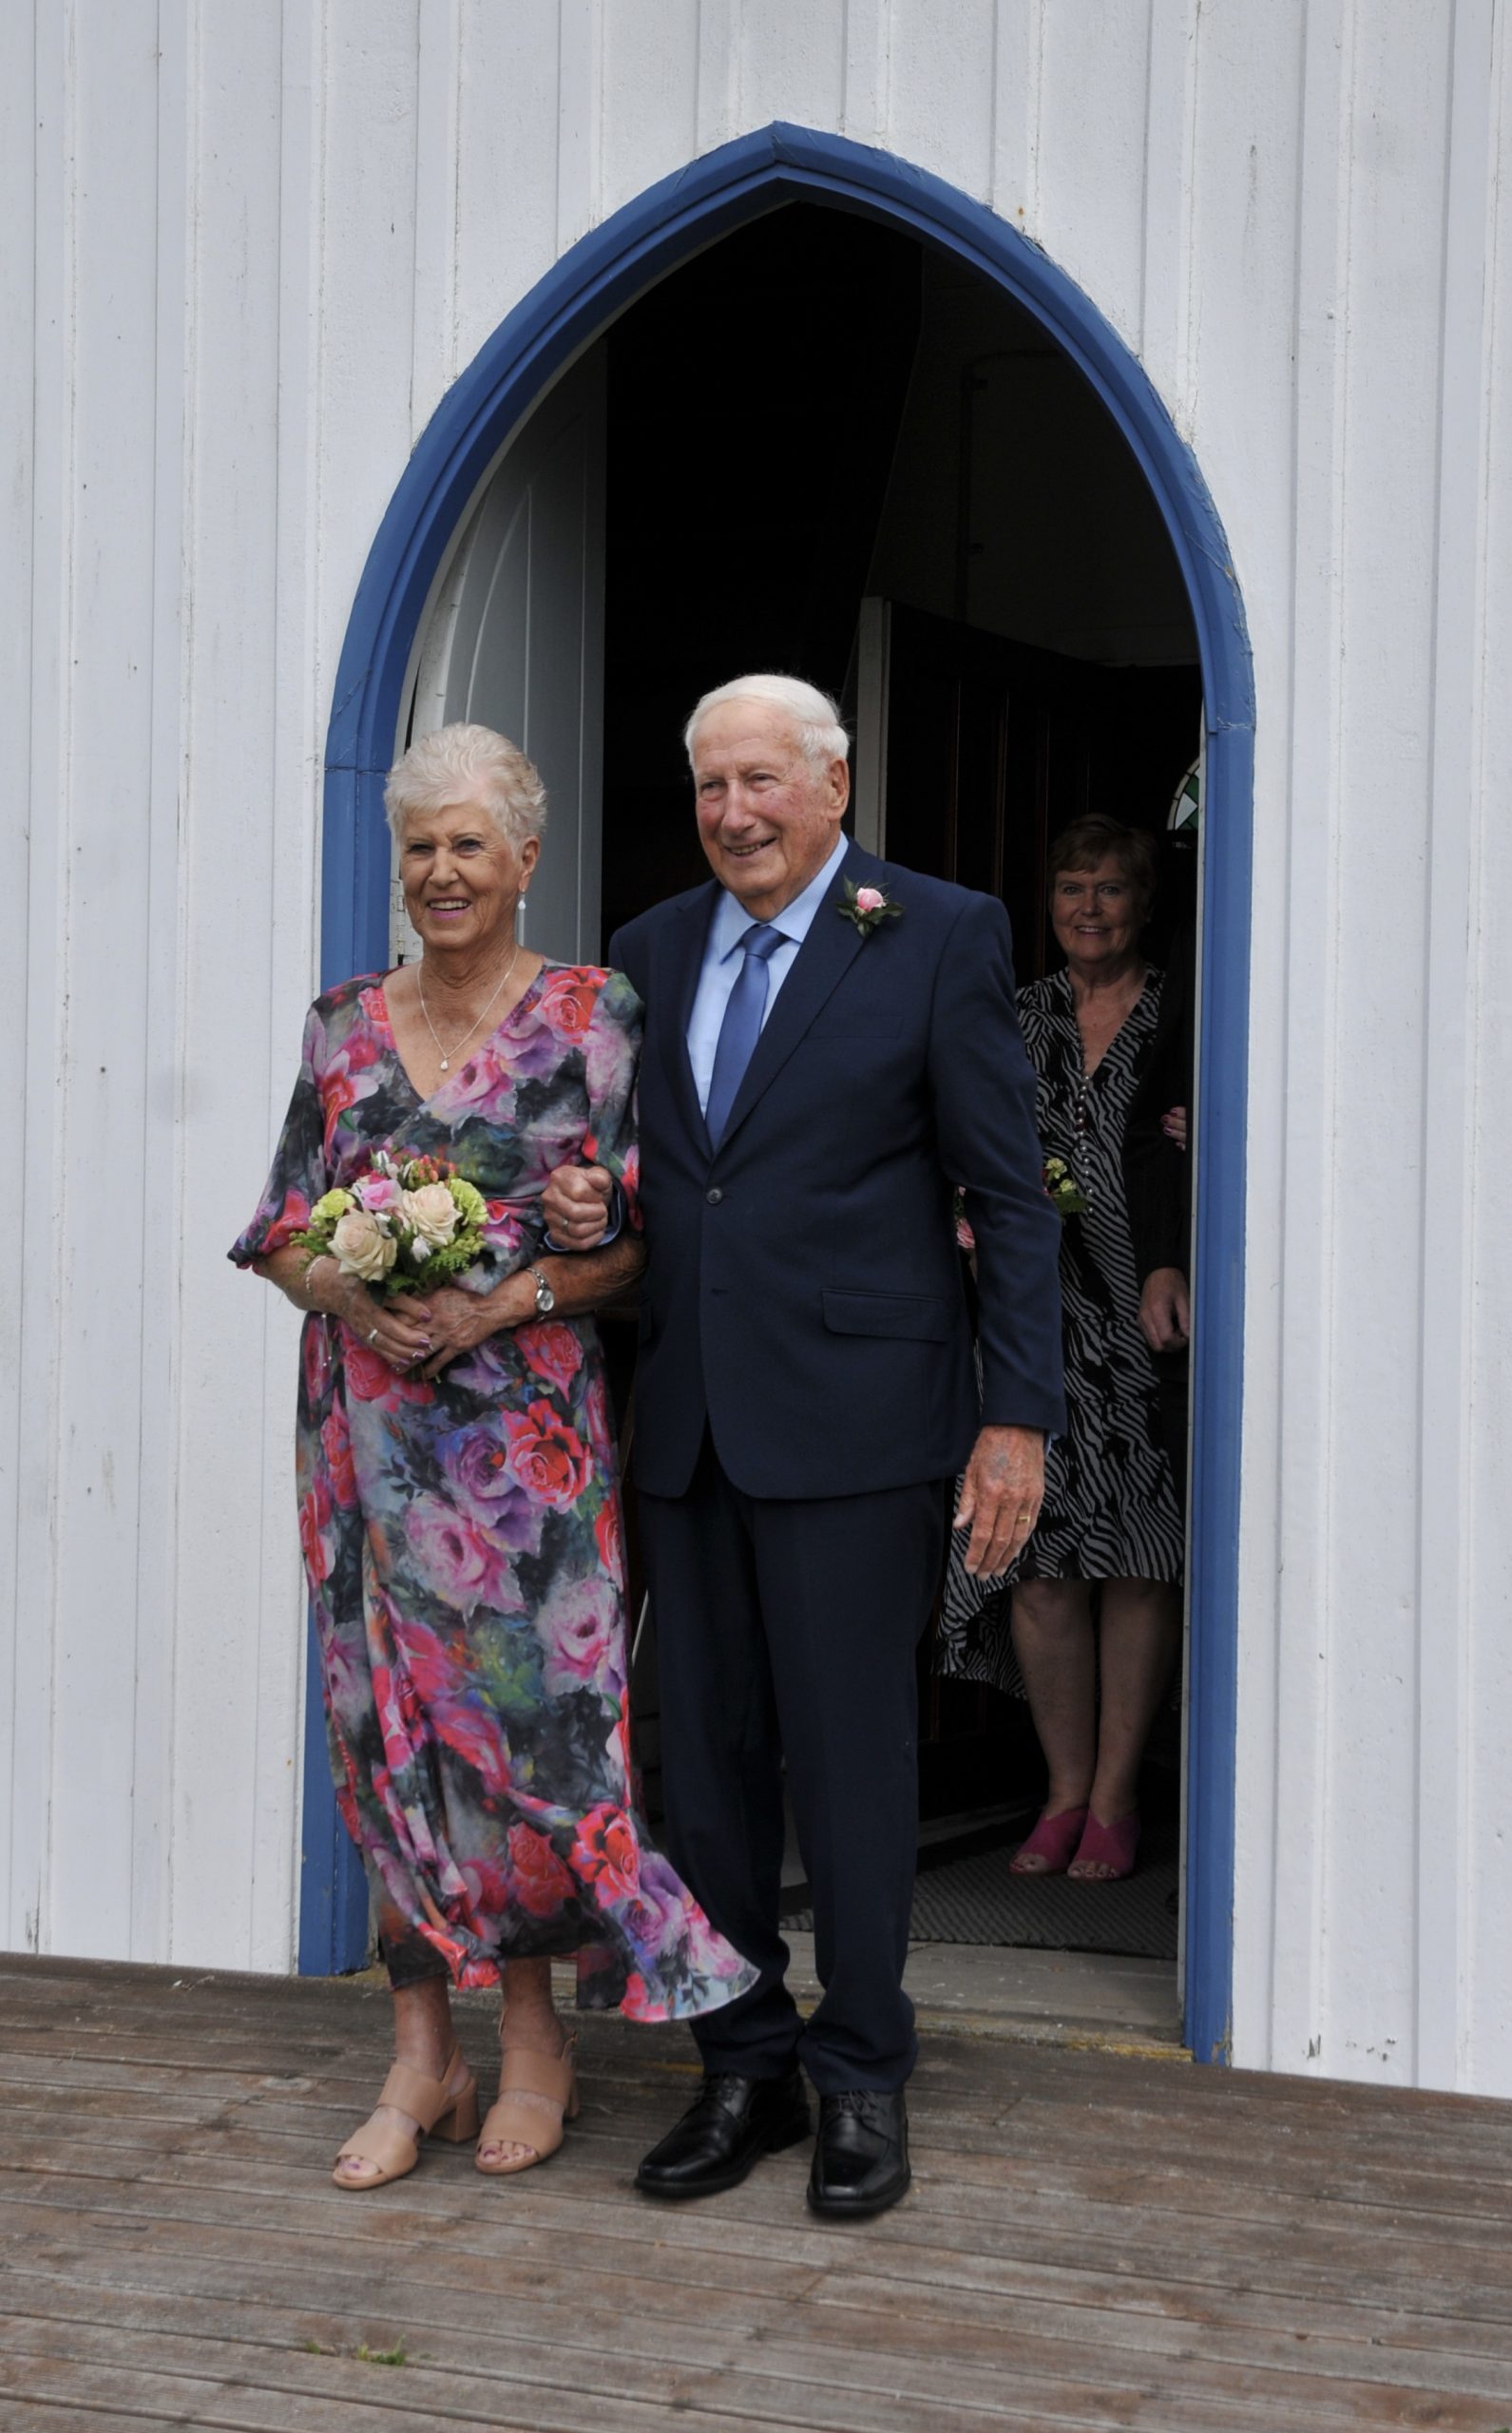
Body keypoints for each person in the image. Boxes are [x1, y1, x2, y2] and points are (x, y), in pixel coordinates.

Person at [542, 675, 1063, 2219]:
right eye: (710, 787)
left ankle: (859, 2076)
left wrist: (1017, 1417)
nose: (734, 814)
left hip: (854, 1424)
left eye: (762, 781)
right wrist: (595, 1210)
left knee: (846, 1771)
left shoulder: (938, 932)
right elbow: (667, 1185)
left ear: (834, 784)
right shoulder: (644, 951)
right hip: (690, 1427)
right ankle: (744, 2064)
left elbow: (1012, 1198)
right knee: (700, 1774)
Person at [231, 721, 755, 2193]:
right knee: (383, 1728)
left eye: (469, 843)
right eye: (419, 847)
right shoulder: (341, 1025)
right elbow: (276, 1226)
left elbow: (647, 1248)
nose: (441, 870)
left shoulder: (594, 1016)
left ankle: (533, 2042)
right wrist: (350, 1285)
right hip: (366, 1441)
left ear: (526, 858)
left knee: (529, 1736)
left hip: (523, 1470)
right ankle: (424, 2054)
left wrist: (498, 1299)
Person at [937, 814, 1185, 1883]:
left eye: (1111, 890)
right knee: (1037, 1561)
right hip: (1033, 1321)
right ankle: (1062, 1790)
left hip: (1148, 1318)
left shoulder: (1187, 1013)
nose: (1089, 908)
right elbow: (954, 1125)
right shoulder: (1017, 1011)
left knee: (1135, 1560)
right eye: (1072, 888)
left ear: (1143, 904)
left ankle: (1119, 1799)